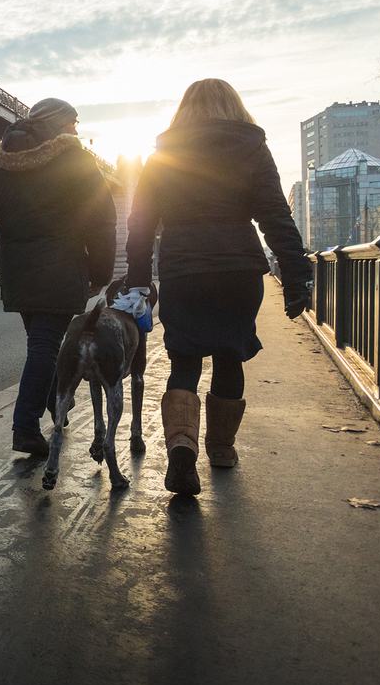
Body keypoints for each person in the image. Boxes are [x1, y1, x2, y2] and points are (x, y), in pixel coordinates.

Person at [124, 79, 311, 497]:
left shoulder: (164, 155)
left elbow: (140, 224)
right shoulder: (251, 149)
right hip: (237, 270)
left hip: (183, 270)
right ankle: (222, 449)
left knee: (184, 361)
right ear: (235, 107)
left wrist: (138, 279)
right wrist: (297, 277)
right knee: (230, 357)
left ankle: (182, 450)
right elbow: (276, 217)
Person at [0, 98, 115, 456]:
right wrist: (101, 272)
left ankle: (56, 407)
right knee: (44, 347)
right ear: (57, 125)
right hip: (61, 272)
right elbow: (101, 221)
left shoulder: (1, 166)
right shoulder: (76, 161)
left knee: (42, 346)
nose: (77, 131)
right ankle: (25, 427)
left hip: (19, 275)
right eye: (73, 123)